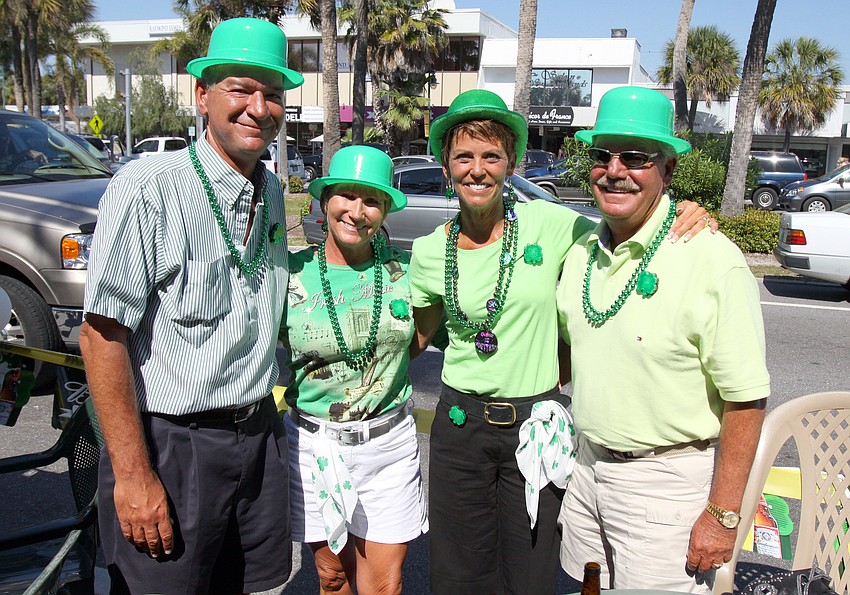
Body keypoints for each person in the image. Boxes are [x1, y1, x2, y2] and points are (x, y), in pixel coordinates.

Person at [408, 89, 716, 594]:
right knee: (457, 573)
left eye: (491, 156)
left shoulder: (552, 225)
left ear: (512, 164)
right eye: (464, 156)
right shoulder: (426, 252)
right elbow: (415, 337)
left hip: (537, 428)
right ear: (446, 166)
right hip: (458, 429)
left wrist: (684, 210)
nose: (477, 169)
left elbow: (628, 225)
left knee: (530, 571)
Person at [79, 18, 304, 594]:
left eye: (272, 94)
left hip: (259, 438)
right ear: (202, 96)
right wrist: (133, 475)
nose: (258, 106)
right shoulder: (148, 187)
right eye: (240, 88)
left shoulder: (272, 192)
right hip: (173, 448)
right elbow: (103, 337)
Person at [556, 86, 770, 594]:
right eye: (602, 155)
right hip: (586, 472)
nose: (615, 169)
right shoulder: (581, 250)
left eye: (635, 157)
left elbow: (746, 398)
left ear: (668, 170)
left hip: (667, 488)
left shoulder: (711, 259)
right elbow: (568, 357)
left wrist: (722, 514)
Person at [280, 145, 427, 594]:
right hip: (312, 447)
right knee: (332, 575)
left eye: (372, 201)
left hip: (389, 448)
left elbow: (420, 339)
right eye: (346, 196)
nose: (356, 211)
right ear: (325, 202)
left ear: (384, 211)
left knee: (384, 584)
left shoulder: (408, 272)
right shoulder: (289, 274)